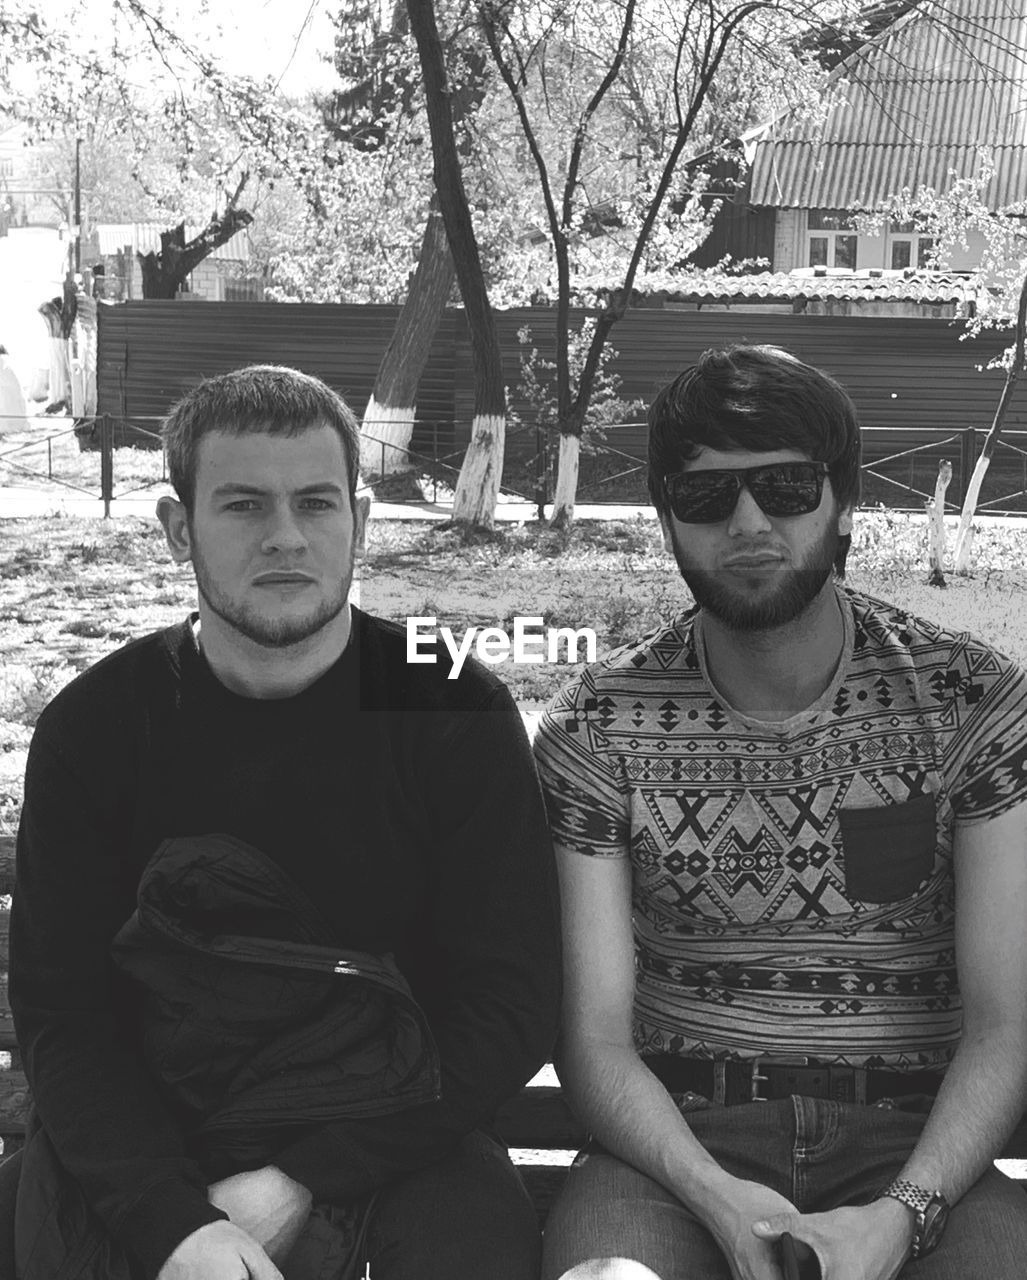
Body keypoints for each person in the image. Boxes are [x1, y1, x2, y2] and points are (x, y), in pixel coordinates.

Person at [5, 364, 561, 1280]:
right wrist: (172, 1224)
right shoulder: (98, 727)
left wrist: (301, 1178)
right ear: (178, 526)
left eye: (316, 503)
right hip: (147, 1144)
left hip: (397, 1140)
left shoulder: (448, 705)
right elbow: (66, 1016)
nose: (286, 539)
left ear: (361, 518)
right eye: (242, 508)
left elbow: (507, 1006)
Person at [532, 344, 1027, 1280]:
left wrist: (903, 1214)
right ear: (666, 517)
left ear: (843, 503)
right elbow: (593, 1039)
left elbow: (1006, 1024)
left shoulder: (970, 701)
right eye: (706, 496)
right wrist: (714, 1196)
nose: (749, 522)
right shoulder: (598, 727)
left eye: (787, 487)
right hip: (676, 1148)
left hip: (912, 1150)